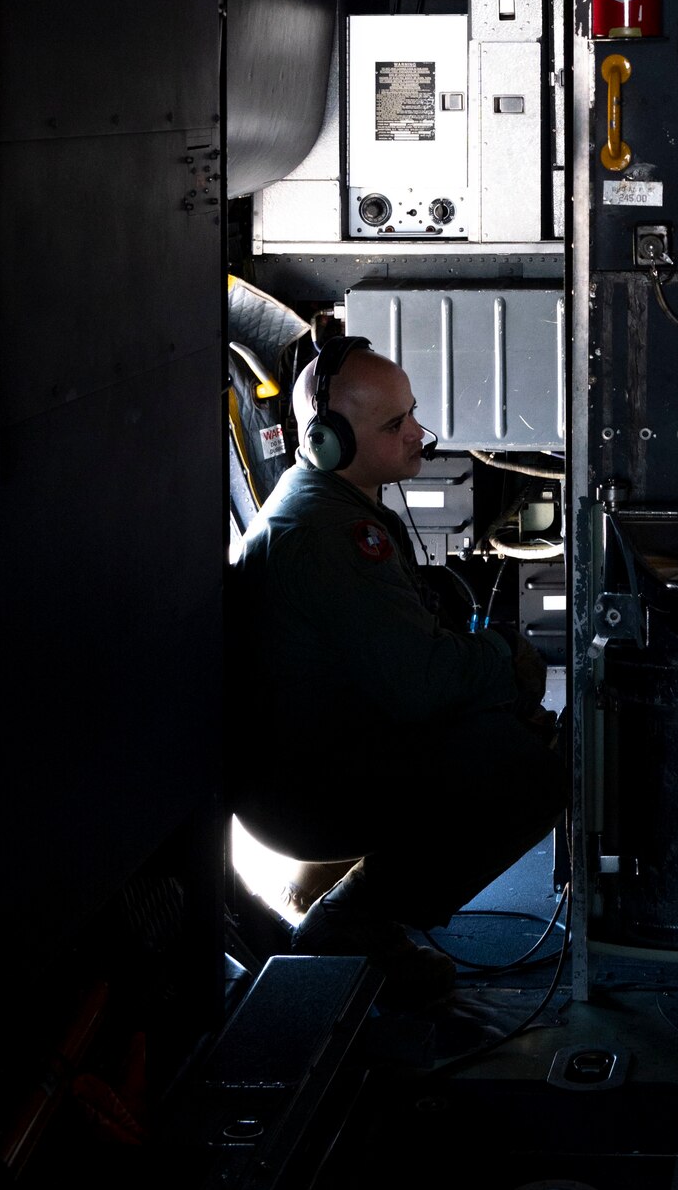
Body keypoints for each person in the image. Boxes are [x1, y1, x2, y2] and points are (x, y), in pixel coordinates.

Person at [228, 335, 566, 1004]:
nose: (419, 434)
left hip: (314, 758)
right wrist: (507, 661)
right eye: (395, 424)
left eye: (410, 414)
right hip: (311, 791)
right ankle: (348, 924)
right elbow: (421, 686)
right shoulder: (333, 538)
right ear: (330, 441)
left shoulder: (326, 501)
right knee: (537, 765)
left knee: (502, 721)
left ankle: (356, 900)